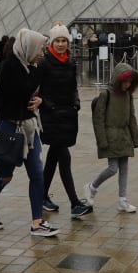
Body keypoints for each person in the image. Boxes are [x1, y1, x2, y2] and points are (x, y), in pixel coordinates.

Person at [0, 28, 59, 237]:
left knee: (37, 174)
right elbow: (23, 91)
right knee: (4, 176)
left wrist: (42, 101)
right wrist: (40, 72)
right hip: (9, 129)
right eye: (41, 48)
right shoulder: (10, 67)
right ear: (29, 47)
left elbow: (38, 94)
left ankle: (37, 222)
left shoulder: (29, 66)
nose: (43, 53)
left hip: (30, 128)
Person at [36, 24, 93, 219]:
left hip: (68, 115)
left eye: (64, 41)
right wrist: (48, 105)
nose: (61, 44)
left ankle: (41, 196)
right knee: (64, 157)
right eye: (57, 41)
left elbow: (73, 87)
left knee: (53, 156)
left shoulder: (71, 62)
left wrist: (76, 103)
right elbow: (38, 89)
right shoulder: (44, 63)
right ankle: (75, 203)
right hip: (51, 116)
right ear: (52, 42)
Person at [84, 62, 138, 214]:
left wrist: (135, 138)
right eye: (125, 81)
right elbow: (98, 119)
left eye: (130, 82)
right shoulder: (106, 94)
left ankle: (123, 200)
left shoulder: (128, 95)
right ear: (118, 79)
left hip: (124, 136)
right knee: (113, 168)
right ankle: (92, 187)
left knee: (124, 168)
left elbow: (131, 117)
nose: (127, 85)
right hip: (110, 136)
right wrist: (102, 140)